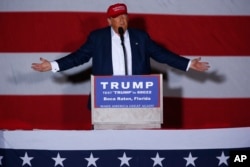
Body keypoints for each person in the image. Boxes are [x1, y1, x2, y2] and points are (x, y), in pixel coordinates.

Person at [31, 3, 210, 108]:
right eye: (117, 17)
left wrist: (187, 64)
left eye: (124, 15)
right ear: (109, 21)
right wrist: (53, 65)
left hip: (139, 98)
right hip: (106, 98)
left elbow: (161, 54)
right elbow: (79, 57)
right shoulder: (97, 38)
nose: (122, 19)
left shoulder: (141, 37)